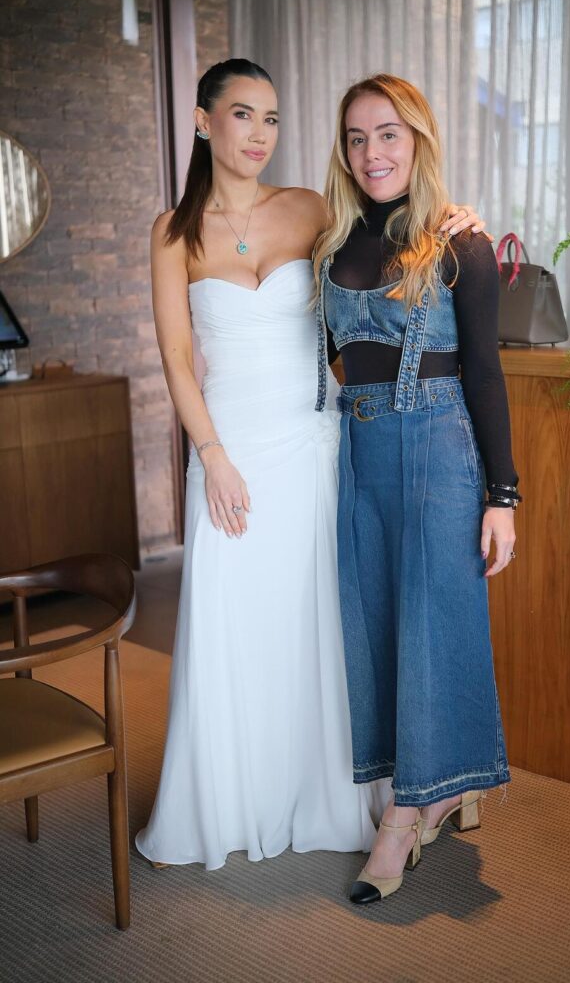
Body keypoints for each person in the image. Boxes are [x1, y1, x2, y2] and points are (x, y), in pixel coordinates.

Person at [135, 59, 488, 869]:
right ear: (203, 123)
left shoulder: (306, 209)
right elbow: (178, 359)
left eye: (271, 118)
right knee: (235, 625)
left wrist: (457, 217)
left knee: (321, 626)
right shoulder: (171, 233)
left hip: (312, 445)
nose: (259, 133)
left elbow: (386, 232)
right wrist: (212, 456)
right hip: (227, 452)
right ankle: (235, 801)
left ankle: (341, 793)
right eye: (241, 115)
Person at [313, 73, 520, 903]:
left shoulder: (459, 245)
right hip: (356, 454)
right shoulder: (329, 244)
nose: (373, 153)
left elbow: (485, 375)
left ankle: (403, 819)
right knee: (375, 626)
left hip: (438, 448)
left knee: (433, 628)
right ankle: (439, 792)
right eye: (357, 137)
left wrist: (502, 496)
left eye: (388, 134)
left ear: (419, 140)